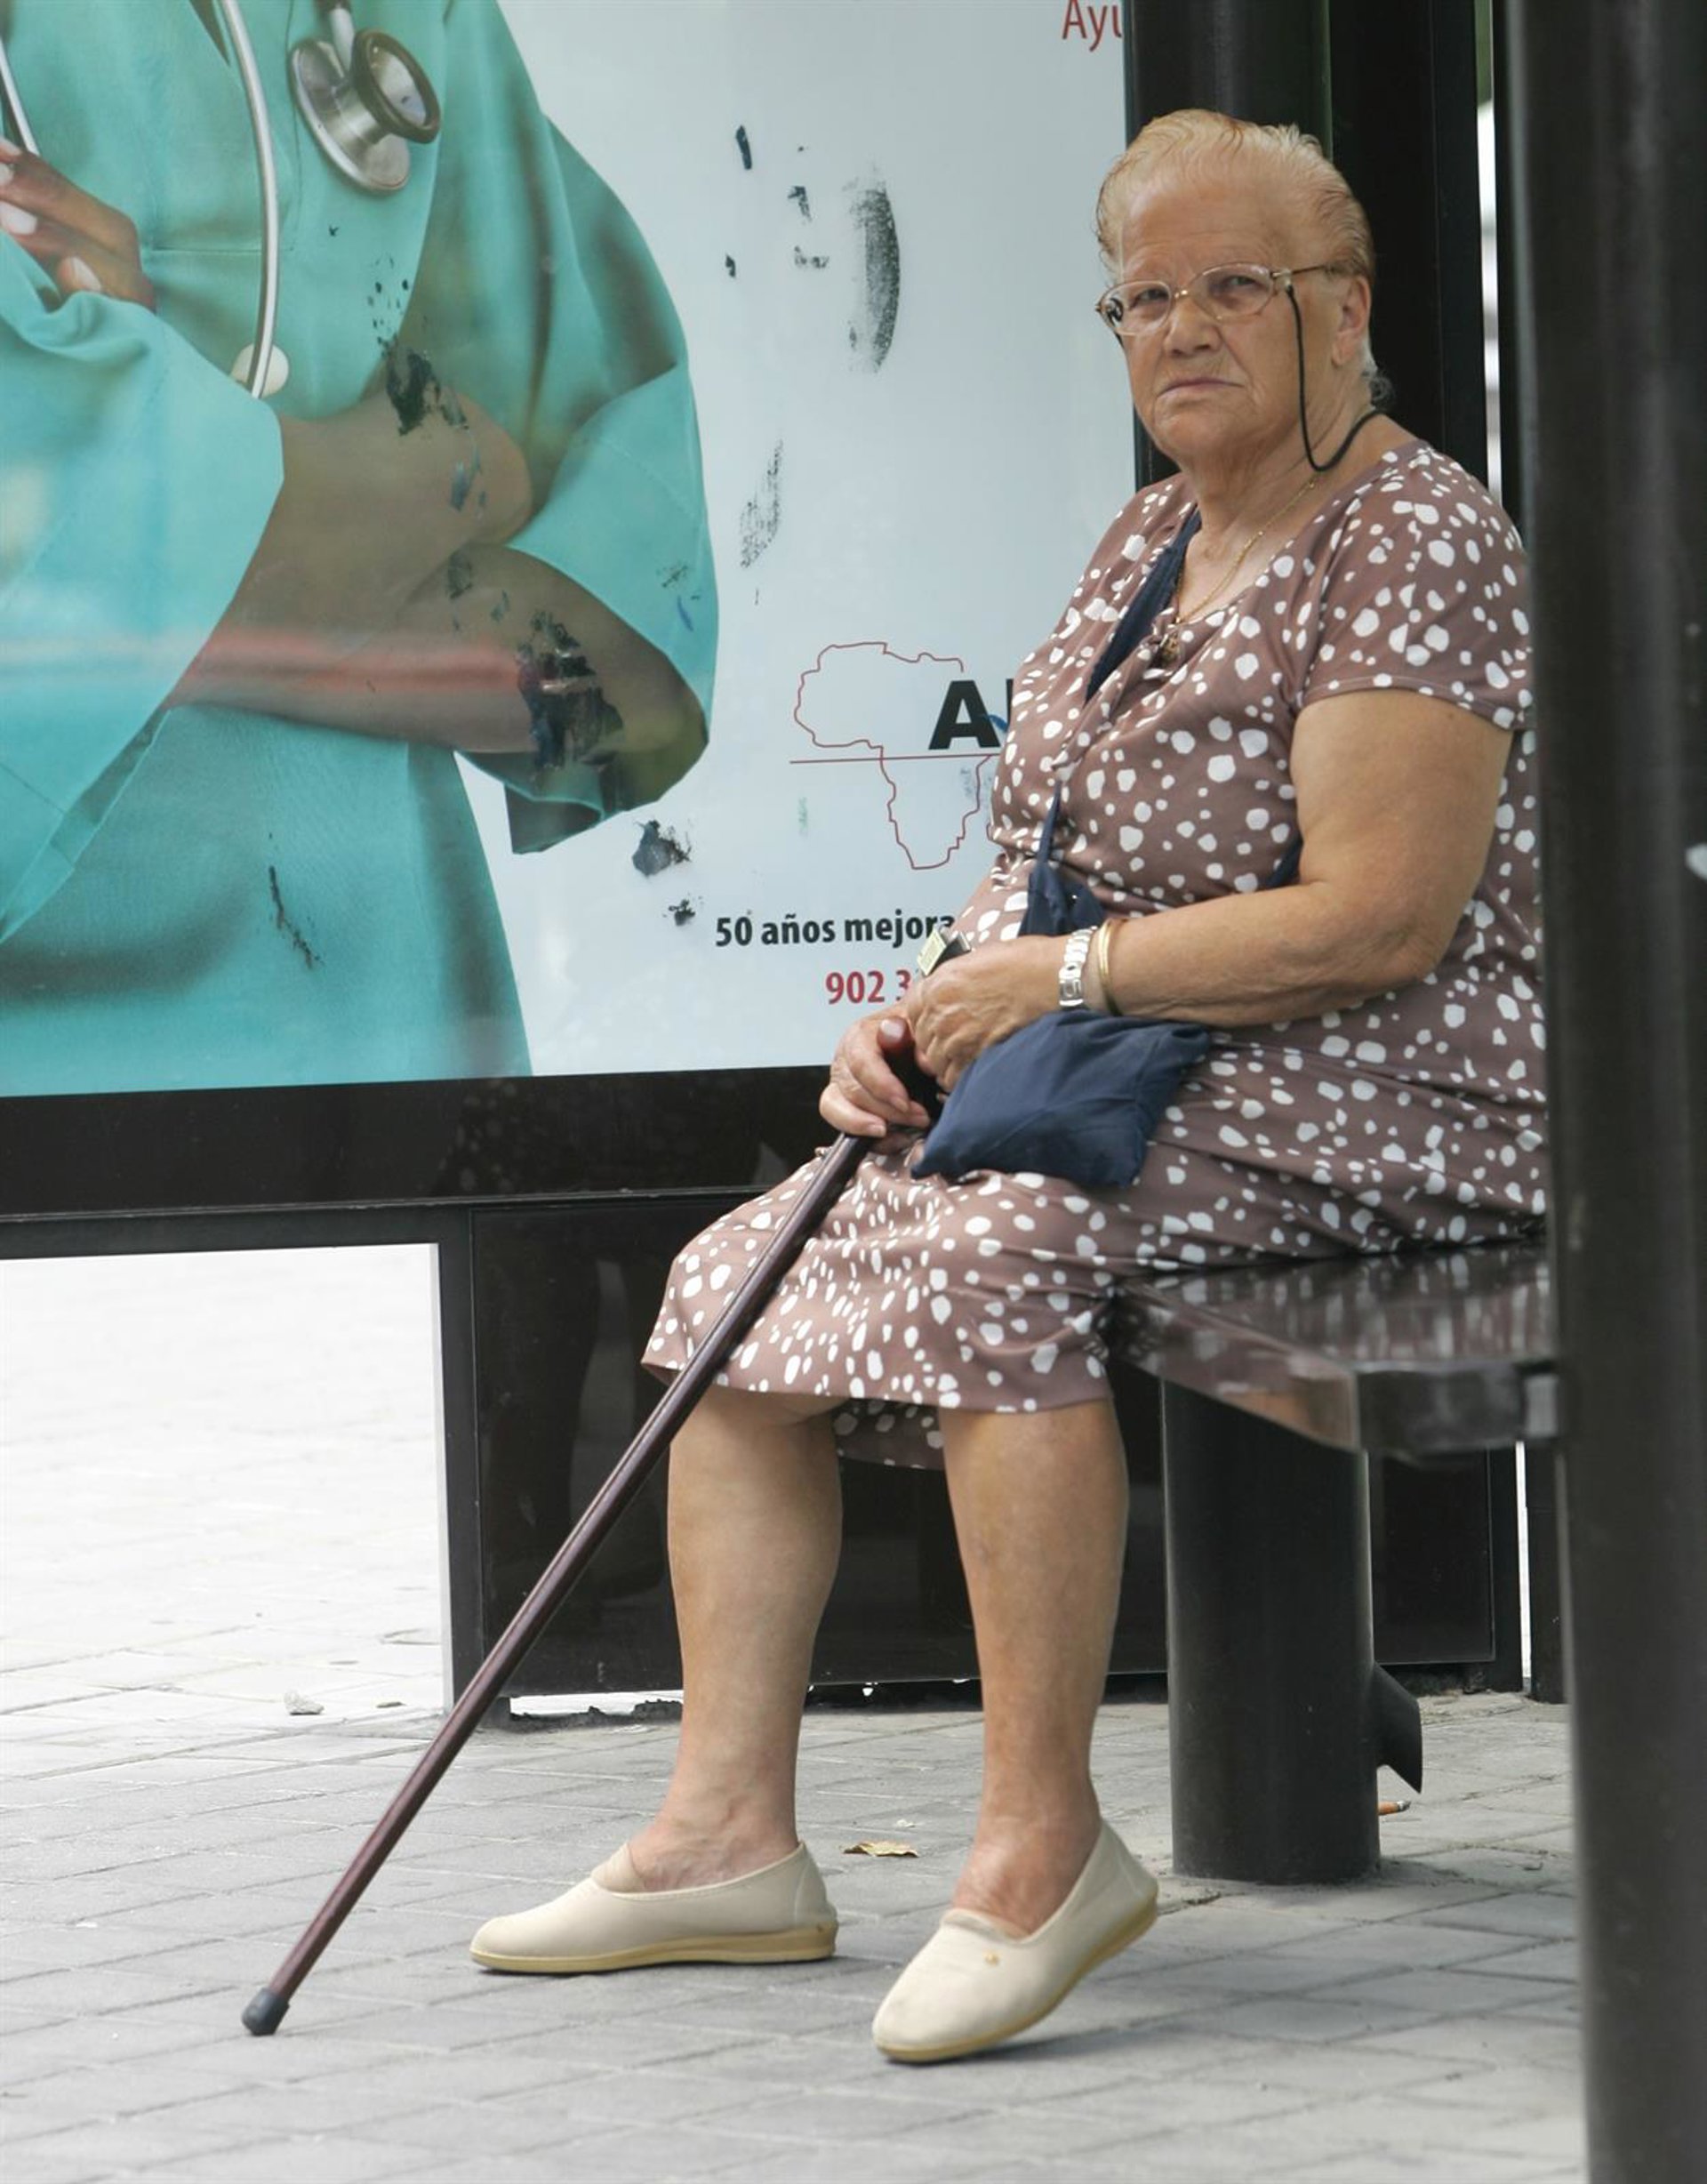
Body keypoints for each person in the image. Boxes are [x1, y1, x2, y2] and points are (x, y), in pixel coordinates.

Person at [469, 108, 1545, 2064]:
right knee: (733, 1277)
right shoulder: (1152, 539)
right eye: (1145, 297)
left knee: (997, 1250)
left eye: (1235, 286)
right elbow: (1038, 862)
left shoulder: (1415, 534)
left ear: (1346, 308)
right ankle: (726, 1841)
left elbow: (1382, 918)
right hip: (1140, 1067)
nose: (1181, 328)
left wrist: (1050, 985)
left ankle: (1044, 1849)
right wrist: (919, 1017)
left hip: (1388, 1086)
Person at [0, 0, 714, 1095]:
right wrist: (439, 473)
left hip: (394, 1046)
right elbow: (485, 462)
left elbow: (619, 675)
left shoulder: (414, 16)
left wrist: (149, 579)